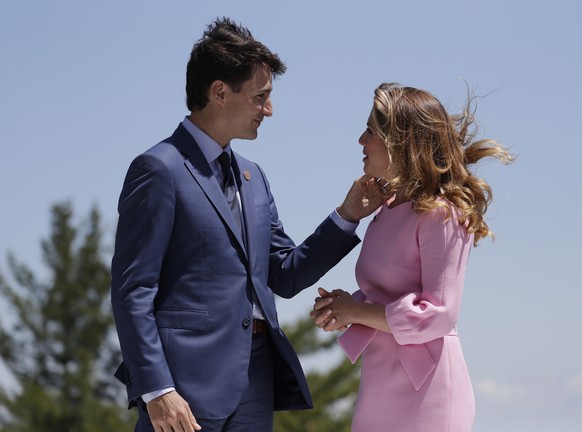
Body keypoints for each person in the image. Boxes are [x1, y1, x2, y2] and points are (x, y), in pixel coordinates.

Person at [110, 18, 384, 432]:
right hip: (183, 387)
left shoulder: (254, 178)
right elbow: (133, 290)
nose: (269, 110)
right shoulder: (158, 169)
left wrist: (346, 216)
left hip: (256, 382)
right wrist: (157, 389)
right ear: (219, 92)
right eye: (261, 97)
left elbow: (285, 275)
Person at [311, 83, 512, 432]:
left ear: (401, 142)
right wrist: (344, 308)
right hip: (379, 385)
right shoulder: (385, 211)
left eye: (371, 131)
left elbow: (440, 313)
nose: (361, 139)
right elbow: (386, 296)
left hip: (430, 392)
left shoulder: (442, 214)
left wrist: (356, 311)